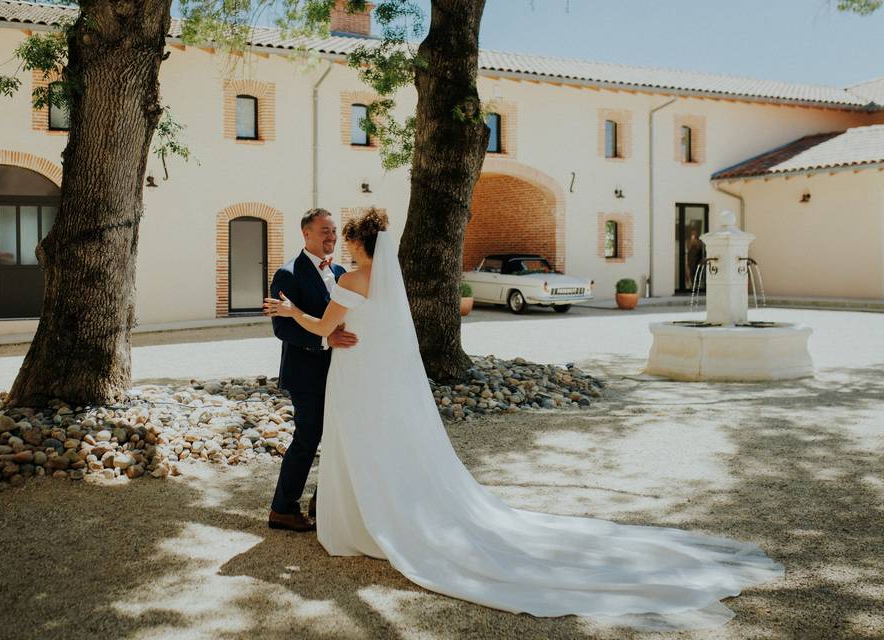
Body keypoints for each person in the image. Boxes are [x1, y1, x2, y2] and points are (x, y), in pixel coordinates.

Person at [264, 209, 783, 630]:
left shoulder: (353, 275)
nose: (339, 241)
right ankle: (362, 510)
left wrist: (290, 314)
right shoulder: (386, 282)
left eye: (343, 235)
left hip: (356, 375)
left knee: (358, 442)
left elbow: (325, 323)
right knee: (374, 444)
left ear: (357, 242)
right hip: (370, 376)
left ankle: (363, 519)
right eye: (329, 232)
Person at [267, 208, 357, 532]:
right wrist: (324, 339)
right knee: (308, 437)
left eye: (334, 230)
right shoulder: (287, 274)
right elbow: (282, 328)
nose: (331, 236)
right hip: (305, 373)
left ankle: (324, 502)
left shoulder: (342, 272)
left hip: (339, 372)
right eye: (324, 231)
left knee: (335, 436)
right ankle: (282, 509)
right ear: (306, 233)